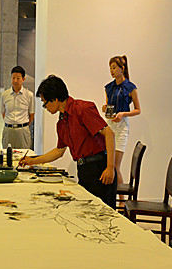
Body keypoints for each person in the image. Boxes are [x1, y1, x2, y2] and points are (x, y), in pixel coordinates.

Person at [20, 75, 117, 208]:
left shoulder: (82, 109)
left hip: (99, 169)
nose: (45, 107)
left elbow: (109, 134)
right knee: (87, 212)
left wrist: (110, 167)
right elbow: (59, 151)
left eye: (45, 103)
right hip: (84, 170)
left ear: (55, 99)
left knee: (103, 214)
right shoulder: (62, 122)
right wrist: (32, 161)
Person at [102, 55, 141, 184]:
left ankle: (121, 195)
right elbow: (107, 106)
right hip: (109, 125)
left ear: (122, 68)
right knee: (107, 164)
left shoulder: (130, 87)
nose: (111, 71)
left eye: (114, 67)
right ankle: (111, 194)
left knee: (115, 166)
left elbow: (138, 110)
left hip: (121, 126)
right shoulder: (109, 87)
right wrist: (104, 108)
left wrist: (123, 114)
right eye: (110, 68)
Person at [1, 65, 35, 149]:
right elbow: (3, 113)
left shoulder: (29, 95)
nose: (15, 81)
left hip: (23, 131)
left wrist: (22, 125)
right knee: (7, 154)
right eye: (13, 78)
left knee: (24, 154)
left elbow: (31, 115)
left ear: (23, 79)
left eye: (18, 78)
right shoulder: (5, 94)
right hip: (8, 130)